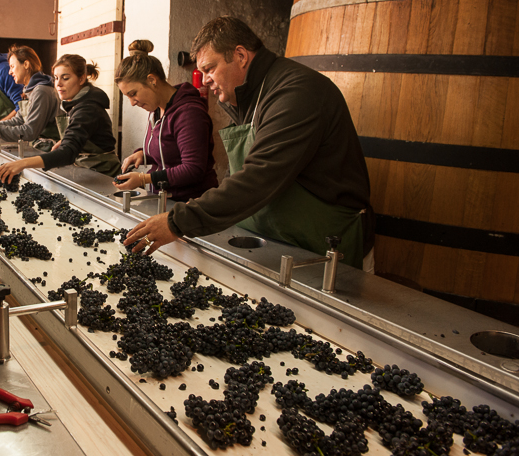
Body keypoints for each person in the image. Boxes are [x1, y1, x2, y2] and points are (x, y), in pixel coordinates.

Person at [125, 17, 374, 271]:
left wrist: (178, 222)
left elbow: (259, 177)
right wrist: (199, 207)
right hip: (276, 241)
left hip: (322, 245)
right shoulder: (248, 96)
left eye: (210, 69)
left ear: (241, 56)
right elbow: (239, 173)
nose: (205, 79)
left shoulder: (296, 91)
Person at [113, 39, 218, 202]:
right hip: (164, 200)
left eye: (133, 94)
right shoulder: (156, 110)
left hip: (190, 204)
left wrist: (144, 179)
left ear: (152, 80)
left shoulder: (189, 113)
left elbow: (192, 169)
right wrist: (143, 154)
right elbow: (169, 149)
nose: (132, 103)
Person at [0, 54, 121, 182]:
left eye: (65, 78)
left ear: (82, 79)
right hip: (86, 169)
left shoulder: (87, 108)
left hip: (103, 175)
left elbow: (67, 152)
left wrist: (23, 163)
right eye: (56, 78)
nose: (58, 84)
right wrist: (67, 139)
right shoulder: (75, 103)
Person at [0, 44, 60, 151]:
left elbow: (29, 131)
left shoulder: (41, 91)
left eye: (12, 66)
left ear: (26, 64)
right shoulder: (30, 90)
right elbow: (18, 120)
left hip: (50, 149)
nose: (10, 72)